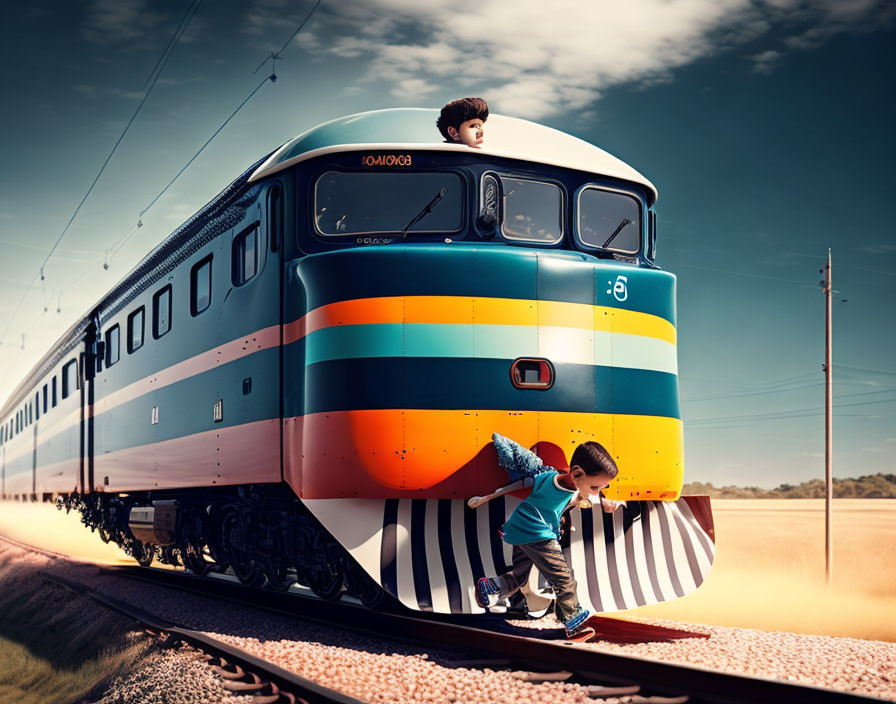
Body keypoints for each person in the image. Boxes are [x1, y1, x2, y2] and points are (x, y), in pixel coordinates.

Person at [475, 433, 624, 642]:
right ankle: (573, 622)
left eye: (600, 488)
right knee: (564, 577)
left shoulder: (552, 477)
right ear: (577, 473)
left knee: (520, 576)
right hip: (536, 532)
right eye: (594, 487)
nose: (595, 493)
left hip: (520, 528)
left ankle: (490, 586)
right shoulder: (557, 483)